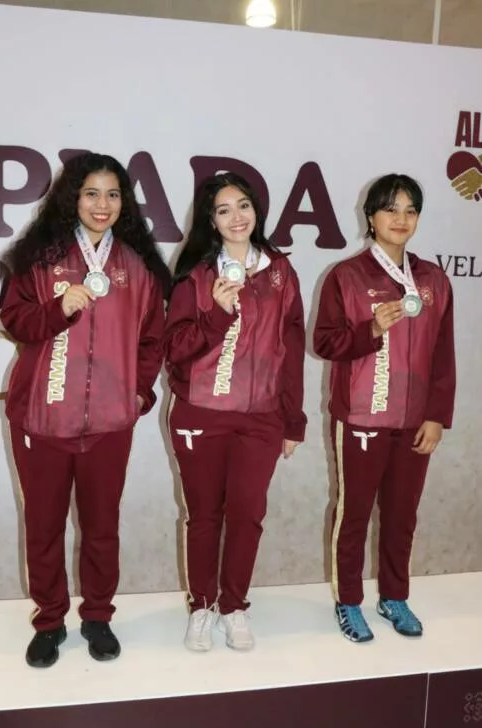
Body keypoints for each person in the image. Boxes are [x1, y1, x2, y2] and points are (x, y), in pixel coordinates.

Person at [1, 152, 171, 667]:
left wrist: (138, 394)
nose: (103, 204)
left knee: (101, 529)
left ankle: (97, 616)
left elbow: (153, 341)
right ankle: (49, 621)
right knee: (44, 528)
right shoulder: (40, 258)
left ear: (125, 203)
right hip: (43, 420)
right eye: (92, 193)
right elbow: (16, 322)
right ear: (72, 198)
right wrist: (59, 308)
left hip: (108, 426)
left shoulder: (137, 267)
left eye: (113, 194)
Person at [164, 172, 306, 652]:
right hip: (200, 414)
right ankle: (201, 607)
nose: (236, 217)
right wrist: (216, 314)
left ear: (256, 211)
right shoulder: (195, 275)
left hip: (261, 416)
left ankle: (234, 606)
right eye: (223, 210)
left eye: (243, 205)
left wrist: (293, 418)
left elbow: (292, 349)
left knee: (247, 514)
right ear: (211, 221)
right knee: (204, 516)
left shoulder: (280, 272)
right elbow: (174, 350)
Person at [314, 173, 455, 643]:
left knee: (402, 515)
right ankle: (348, 601)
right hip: (361, 418)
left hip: (414, 422)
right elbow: (325, 342)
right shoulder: (346, 277)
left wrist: (436, 415)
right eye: (390, 209)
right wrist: (370, 330)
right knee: (353, 514)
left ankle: (394, 596)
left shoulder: (433, 280)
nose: (401, 218)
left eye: (410, 210)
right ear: (371, 217)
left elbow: (443, 355)